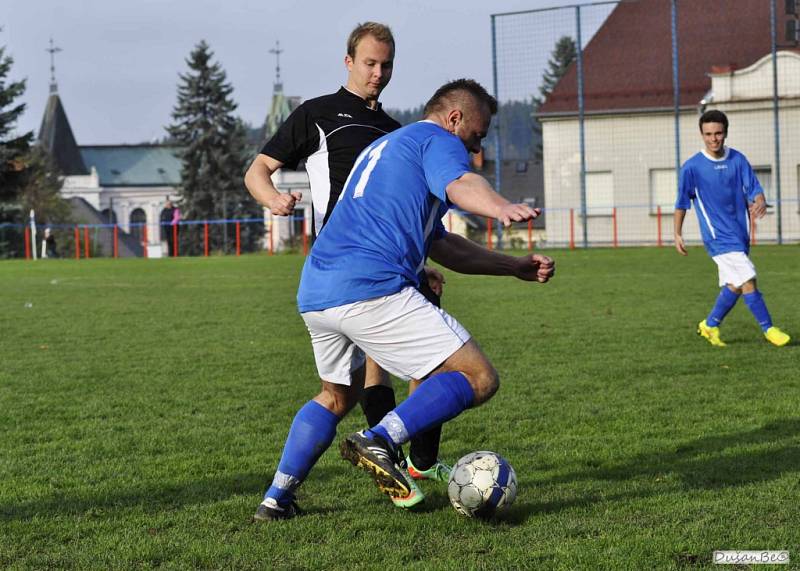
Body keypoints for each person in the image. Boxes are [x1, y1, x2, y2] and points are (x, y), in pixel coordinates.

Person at [253, 78, 555, 520]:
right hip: (370, 288)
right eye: (477, 133)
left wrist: (512, 266)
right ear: (454, 119)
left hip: (317, 291)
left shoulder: (391, 146)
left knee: (337, 395)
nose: (475, 147)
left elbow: (443, 245)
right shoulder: (437, 140)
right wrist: (500, 206)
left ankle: (275, 499)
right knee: (477, 378)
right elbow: (461, 183)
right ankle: (382, 440)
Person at [245, 22, 450, 510]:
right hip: (353, 269)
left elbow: (406, 211)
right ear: (348, 62)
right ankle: (398, 461)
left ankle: (280, 496)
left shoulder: (396, 134)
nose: (378, 73)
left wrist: (421, 262)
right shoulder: (318, 114)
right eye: (370, 63)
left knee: (345, 389)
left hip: (377, 271)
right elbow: (257, 169)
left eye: (387, 65)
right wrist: (273, 199)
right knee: (435, 364)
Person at [674, 109, 790, 348]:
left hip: (739, 233)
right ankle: (769, 329)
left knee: (735, 285)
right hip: (717, 237)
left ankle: (710, 325)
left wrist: (759, 200)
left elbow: (754, 188)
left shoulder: (737, 159)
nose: (713, 139)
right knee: (748, 279)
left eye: (718, 133)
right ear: (701, 134)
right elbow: (682, 203)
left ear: (725, 133)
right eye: (708, 134)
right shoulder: (692, 167)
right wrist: (677, 233)